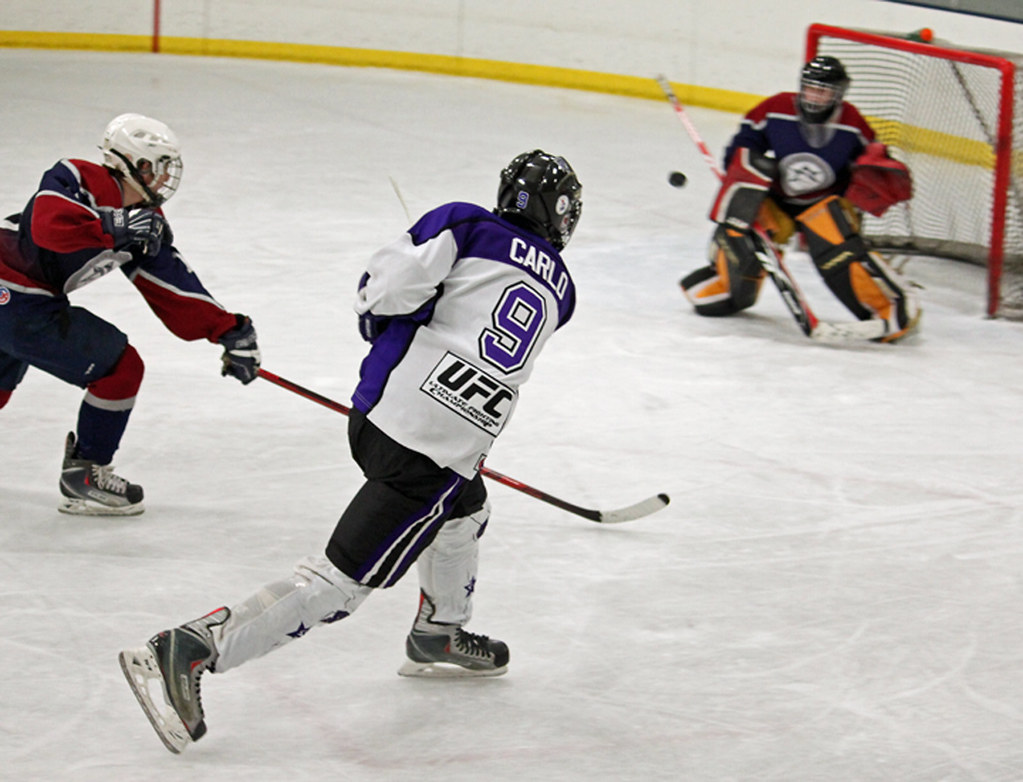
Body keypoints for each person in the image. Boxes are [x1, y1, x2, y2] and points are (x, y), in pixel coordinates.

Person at [118, 149, 583, 754]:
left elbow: (386, 289)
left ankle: (440, 632)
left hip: (386, 417)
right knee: (339, 583)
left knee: (466, 512)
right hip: (434, 450)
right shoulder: (563, 290)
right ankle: (192, 647)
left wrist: (380, 320)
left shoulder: (466, 223)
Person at [0, 113, 261, 516]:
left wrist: (228, 330)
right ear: (138, 165)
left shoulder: (146, 222)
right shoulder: (77, 176)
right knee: (120, 369)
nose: (165, 178)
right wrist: (114, 225)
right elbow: (47, 224)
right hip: (16, 296)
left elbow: (172, 285)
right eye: (161, 167)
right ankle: (85, 475)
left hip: (23, 302)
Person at [679, 55, 920, 342]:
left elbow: (869, 161)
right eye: (810, 88)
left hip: (823, 204)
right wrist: (744, 180)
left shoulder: (853, 123)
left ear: (839, 94)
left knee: (838, 253)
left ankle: (889, 307)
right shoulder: (777, 108)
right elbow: (744, 145)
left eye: (823, 91)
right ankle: (726, 288)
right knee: (745, 239)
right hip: (777, 199)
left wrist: (876, 167)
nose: (814, 97)